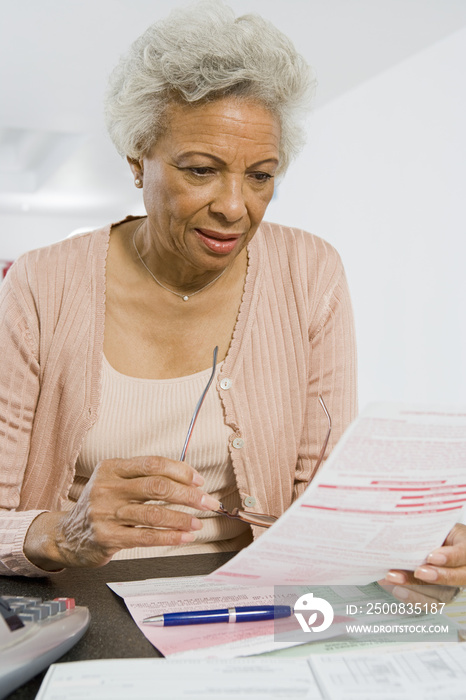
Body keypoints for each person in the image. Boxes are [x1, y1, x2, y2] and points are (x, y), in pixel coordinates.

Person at [0, 2, 464, 597]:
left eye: (261, 175)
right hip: (79, 595)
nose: (234, 207)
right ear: (138, 161)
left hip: (255, 597)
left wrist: (408, 547)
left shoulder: (309, 271)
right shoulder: (41, 283)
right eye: (200, 170)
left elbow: (317, 498)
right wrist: (62, 533)